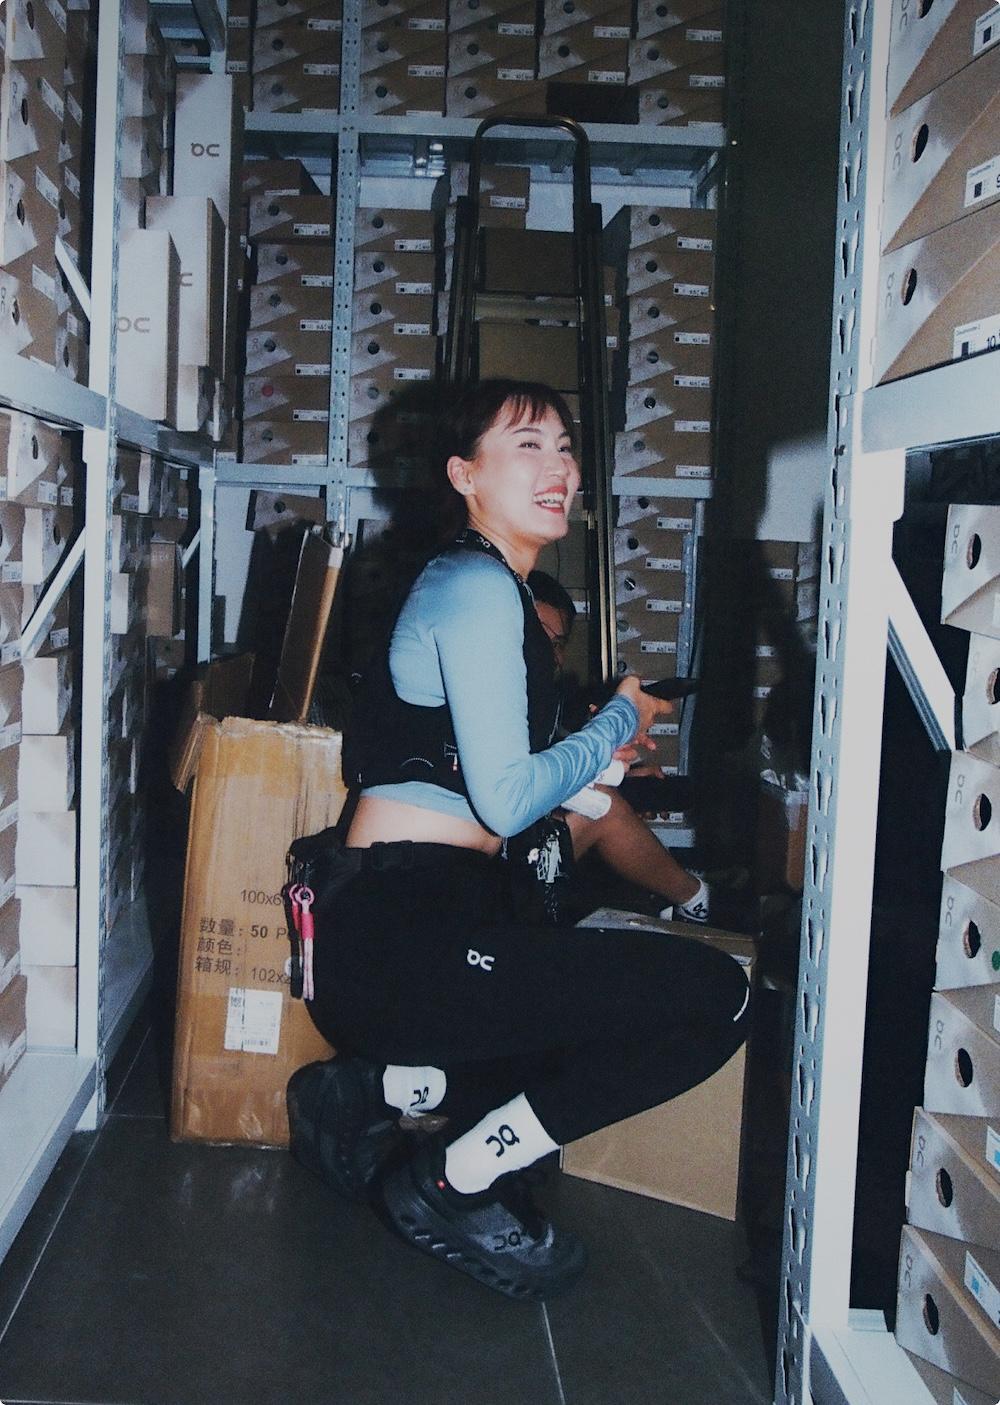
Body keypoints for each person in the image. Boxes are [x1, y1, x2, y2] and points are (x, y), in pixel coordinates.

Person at [288, 379, 750, 1302]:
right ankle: (457, 1180)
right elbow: (503, 801)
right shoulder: (472, 585)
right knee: (716, 999)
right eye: (528, 446)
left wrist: (602, 750)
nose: (561, 467)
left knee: (585, 1024)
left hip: (419, 924)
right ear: (466, 474)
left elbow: (497, 785)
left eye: (567, 446)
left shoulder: (491, 593)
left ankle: (383, 1088)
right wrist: (609, 720)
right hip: (403, 931)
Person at [527, 568, 711, 922]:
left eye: (557, 643)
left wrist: (622, 777)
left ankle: (693, 898)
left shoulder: (534, 702)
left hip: (506, 864)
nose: (548, 653)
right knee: (606, 807)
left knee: (613, 798)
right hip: (495, 884)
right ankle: (697, 901)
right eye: (536, 635)